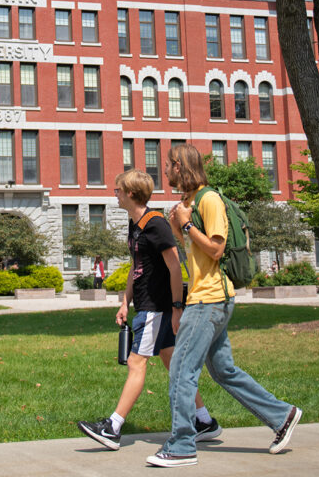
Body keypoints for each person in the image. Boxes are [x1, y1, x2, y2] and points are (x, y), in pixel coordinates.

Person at [147, 144, 302, 468]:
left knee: (181, 369)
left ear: (180, 166)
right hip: (204, 298)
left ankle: (182, 444)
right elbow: (191, 249)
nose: (164, 171)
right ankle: (282, 415)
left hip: (211, 300)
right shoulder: (189, 203)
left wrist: (188, 225)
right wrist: (179, 223)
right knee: (224, 371)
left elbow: (216, 249)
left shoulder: (210, 199)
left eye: (168, 166)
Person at [77, 169, 219, 452]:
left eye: (117, 190)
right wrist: (124, 301)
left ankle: (113, 427)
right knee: (170, 362)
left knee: (136, 363)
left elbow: (175, 266)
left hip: (157, 307)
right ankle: (204, 421)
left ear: (131, 193)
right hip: (145, 304)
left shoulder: (155, 224)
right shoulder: (135, 224)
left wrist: (177, 307)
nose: (114, 194)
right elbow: (137, 266)